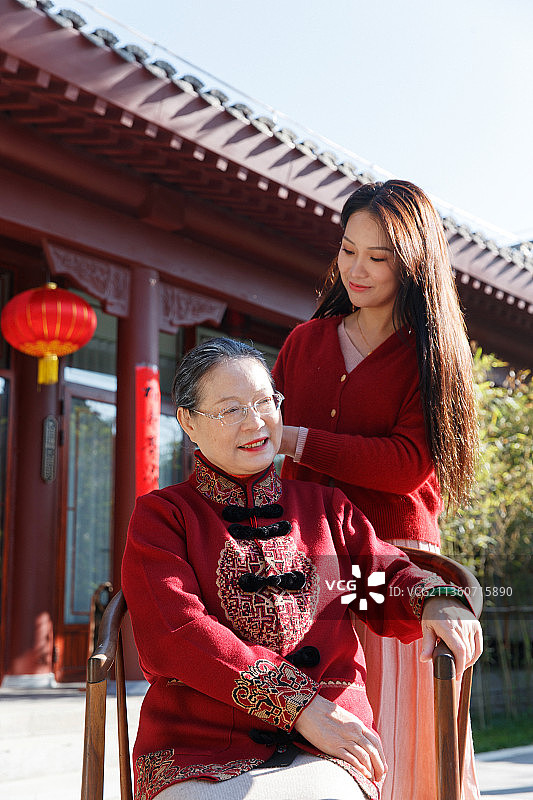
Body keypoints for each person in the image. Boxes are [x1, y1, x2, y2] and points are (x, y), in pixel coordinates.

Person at [121, 337, 482, 800]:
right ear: (189, 422)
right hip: (196, 743)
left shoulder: (326, 508)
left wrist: (434, 599)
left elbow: (383, 579)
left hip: (324, 743)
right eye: (231, 409)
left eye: (265, 401)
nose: (255, 422)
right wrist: (298, 705)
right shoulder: (164, 515)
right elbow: (175, 632)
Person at [272, 179, 481, 799]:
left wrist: (298, 440)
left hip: (396, 567)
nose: (356, 269)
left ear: (413, 262)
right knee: (316, 739)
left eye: (378, 256)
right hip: (307, 566)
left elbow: (406, 464)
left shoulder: (430, 355)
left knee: (396, 741)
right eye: (347, 249)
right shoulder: (304, 342)